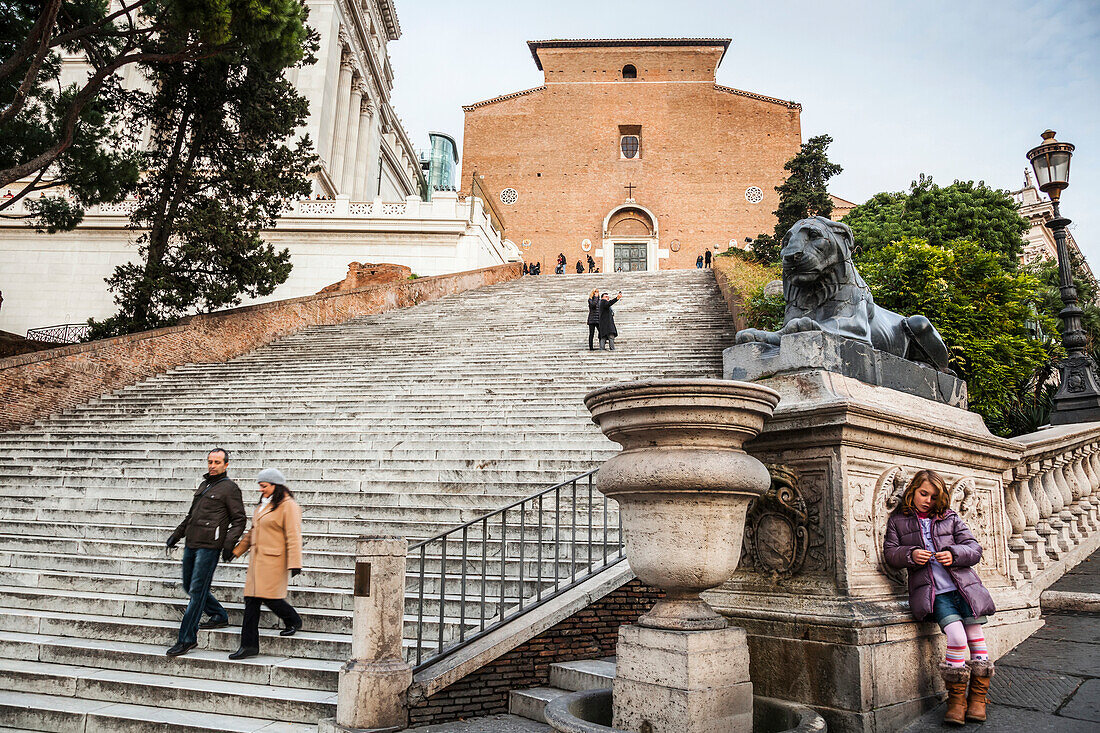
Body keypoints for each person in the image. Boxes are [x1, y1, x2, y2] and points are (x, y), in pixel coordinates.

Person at [884, 469, 996, 725]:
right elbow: (891, 553)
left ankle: (977, 699)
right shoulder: (898, 521)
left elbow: (974, 549)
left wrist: (954, 554)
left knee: (976, 638)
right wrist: (910, 554)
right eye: (924, 494)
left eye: (934, 497)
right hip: (937, 593)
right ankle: (956, 701)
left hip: (964, 589)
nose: (928, 501)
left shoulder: (950, 518)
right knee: (956, 636)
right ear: (912, 491)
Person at [165, 448, 247, 657]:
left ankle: (187, 638)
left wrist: (228, 544)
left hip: (209, 547)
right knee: (188, 586)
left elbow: (239, 520)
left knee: (198, 591)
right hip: (192, 542)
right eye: (210, 461)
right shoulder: (205, 485)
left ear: (226, 465)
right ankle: (218, 614)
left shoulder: (230, 488)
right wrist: (177, 535)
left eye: (217, 462)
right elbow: (191, 516)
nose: (212, 465)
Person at [228, 468, 304, 659]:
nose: (261, 489)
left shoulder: (288, 506)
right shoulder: (263, 505)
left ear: (275, 485)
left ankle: (292, 620)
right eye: (260, 486)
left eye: (264, 486)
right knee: (252, 600)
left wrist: (295, 563)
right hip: (258, 562)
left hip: (274, 562)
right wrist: (235, 551)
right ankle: (250, 645)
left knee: (268, 598)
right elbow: (253, 532)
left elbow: (293, 535)